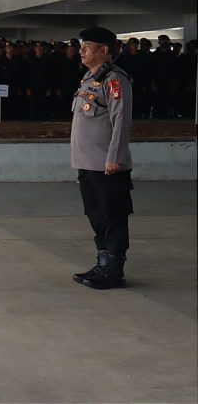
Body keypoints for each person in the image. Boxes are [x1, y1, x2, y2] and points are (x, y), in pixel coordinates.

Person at [70, 26, 133, 290]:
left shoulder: (115, 79)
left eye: (87, 46)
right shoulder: (89, 78)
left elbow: (121, 120)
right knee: (96, 214)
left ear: (104, 50)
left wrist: (114, 158)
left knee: (112, 216)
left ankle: (113, 270)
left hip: (107, 164)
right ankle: (102, 263)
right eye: (81, 46)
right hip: (87, 162)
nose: (81, 51)